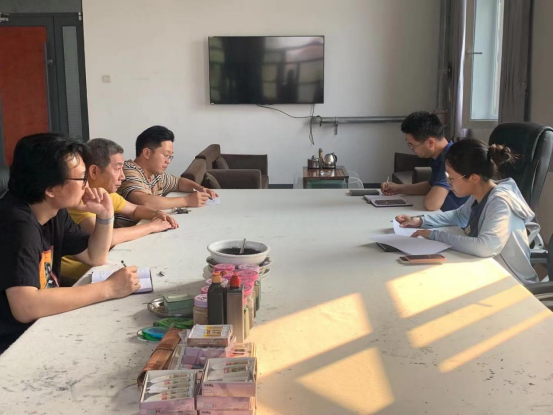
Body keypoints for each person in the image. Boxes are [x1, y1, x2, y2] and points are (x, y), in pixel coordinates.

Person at [0, 133, 140, 353]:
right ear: (50, 188)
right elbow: (25, 306)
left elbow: (94, 256)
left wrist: (105, 215)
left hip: (40, 327)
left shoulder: (54, 211)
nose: (87, 185)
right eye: (81, 178)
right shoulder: (17, 224)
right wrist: (108, 288)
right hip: (13, 347)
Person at [396, 139, 539, 284]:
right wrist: (421, 220)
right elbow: (458, 216)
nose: (448, 183)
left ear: (474, 178)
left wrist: (435, 235)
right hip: (487, 271)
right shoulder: (481, 194)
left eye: (451, 178)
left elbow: (485, 247)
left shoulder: (500, 202)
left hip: (513, 283)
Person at [61, 138, 179, 283]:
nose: (122, 176)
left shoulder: (106, 194)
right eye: (117, 169)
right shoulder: (78, 201)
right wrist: (152, 226)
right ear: (94, 171)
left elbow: (135, 210)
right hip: (77, 277)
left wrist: (156, 214)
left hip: (98, 265)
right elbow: (108, 239)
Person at [117, 126, 218, 217]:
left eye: (170, 156)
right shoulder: (128, 171)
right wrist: (187, 200)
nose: (168, 161)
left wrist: (200, 188)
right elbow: (144, 202)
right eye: (166, 155)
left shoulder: (155, 174)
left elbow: (178, 182)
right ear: (147, 153)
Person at [381, 111, 469, 211]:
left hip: (456, 218)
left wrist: (428, 197)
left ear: (430, 142)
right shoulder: (439, 156)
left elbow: (432, 204)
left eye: (412, 145)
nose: (411, 149)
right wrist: (398, 188)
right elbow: (430, 186)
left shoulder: (451, 160)